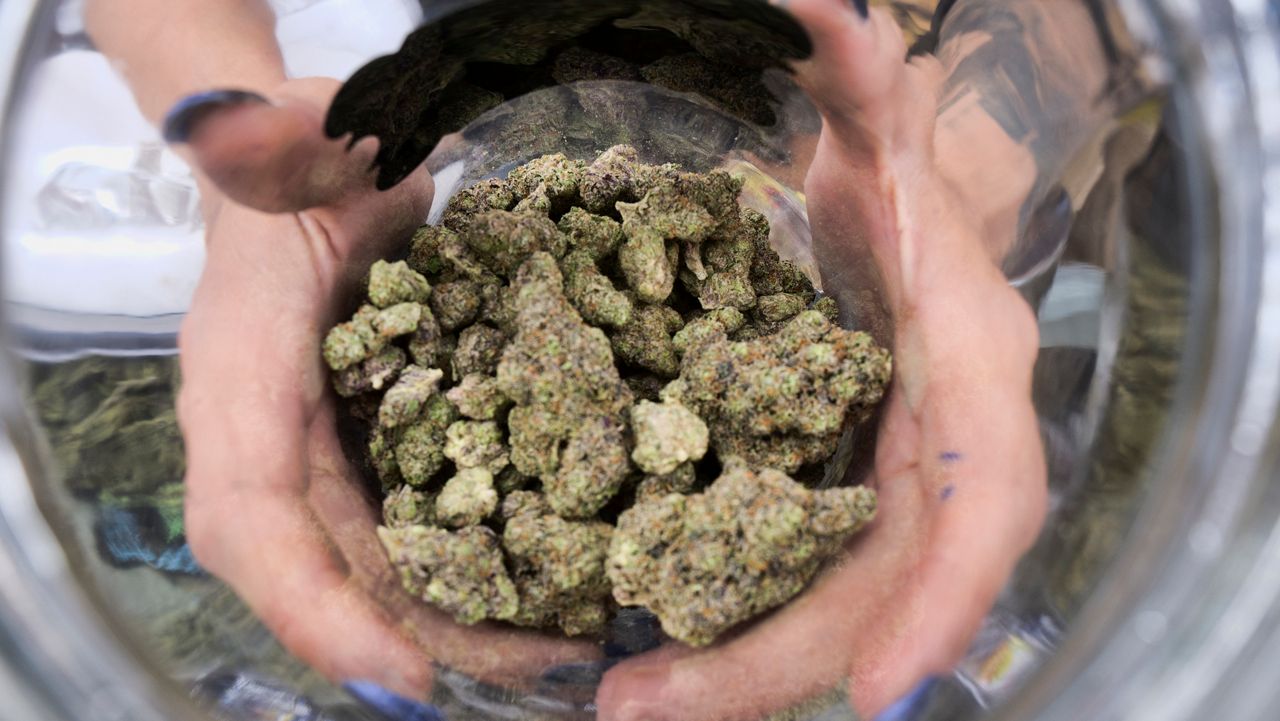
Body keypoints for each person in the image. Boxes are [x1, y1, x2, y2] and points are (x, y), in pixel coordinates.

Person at [84, 0, 1112, 718]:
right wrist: (241, 142)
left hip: (886, 88)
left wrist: (953, 179)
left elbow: (1125, 27)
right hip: (472, 99)